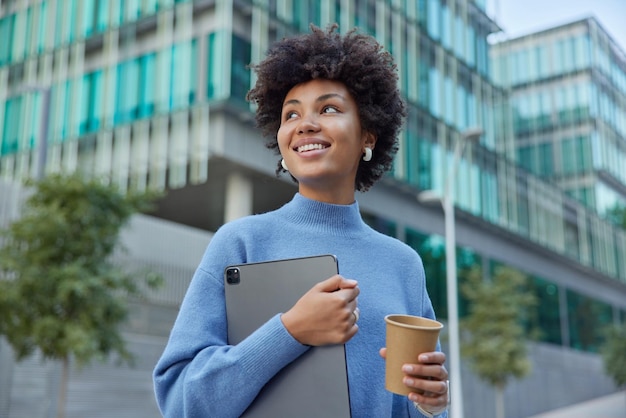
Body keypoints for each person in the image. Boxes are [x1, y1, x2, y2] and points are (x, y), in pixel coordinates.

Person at [153, 24, 449, 418]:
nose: (305, 124)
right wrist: (290, 331)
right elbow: (178, 400)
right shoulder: (241, 242)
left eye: (329, 108)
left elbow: (409, 406)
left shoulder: (403, 264)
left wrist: (432, 405)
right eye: (291, 113)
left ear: (368, 136)